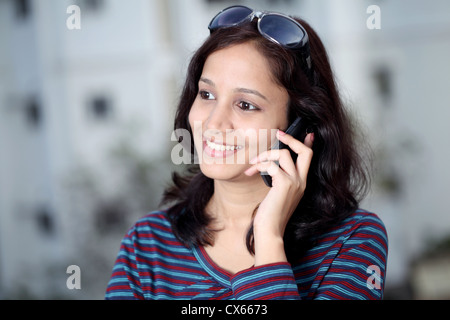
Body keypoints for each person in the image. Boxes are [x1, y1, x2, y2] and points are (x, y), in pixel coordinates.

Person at [105, 5, 388, 300]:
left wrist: (268, 237)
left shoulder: (354, 240)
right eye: (207, 94)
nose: (213, 122)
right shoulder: (146, 246)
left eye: (245, 105)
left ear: (300, 126)